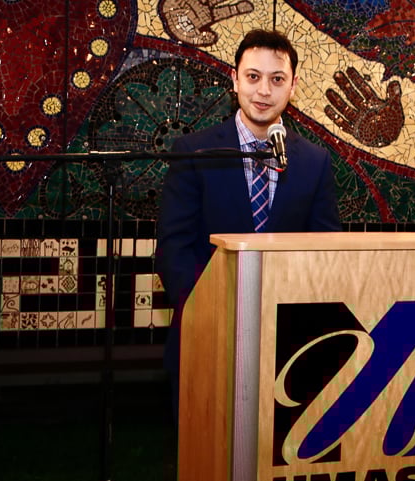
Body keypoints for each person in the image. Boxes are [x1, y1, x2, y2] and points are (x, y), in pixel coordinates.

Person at [156, 29, 342, 420]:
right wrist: (205, 312)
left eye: (277, 79)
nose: (264, 91)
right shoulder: (195, 151)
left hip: (290, 339)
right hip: (208, 332)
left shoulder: (314, 162)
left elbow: (327, 251)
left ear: (293, 86)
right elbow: (174, 246)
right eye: (253, 76)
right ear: (235, 79)